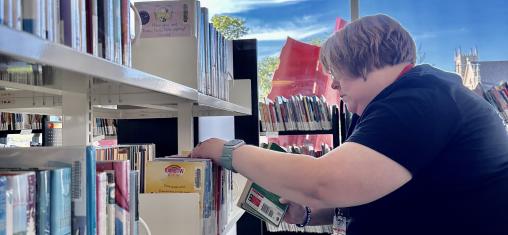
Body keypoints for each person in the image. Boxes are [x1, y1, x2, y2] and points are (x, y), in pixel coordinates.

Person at [190, 14, 508, 235]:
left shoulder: (419, 100)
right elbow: (377, 191)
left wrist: (227, 152)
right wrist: (306, 213)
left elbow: (324, 181)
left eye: (338, 78)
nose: (338, 91)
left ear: (363, 63)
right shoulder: (405, 99)